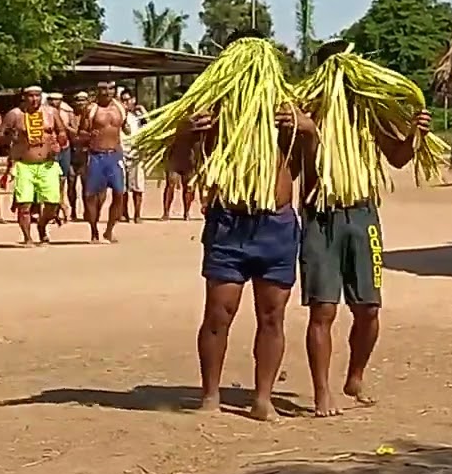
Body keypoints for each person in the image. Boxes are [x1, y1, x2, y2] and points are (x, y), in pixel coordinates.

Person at [170, 30, 317, 422]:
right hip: (229, 222)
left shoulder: (289, 111)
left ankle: (263, 397)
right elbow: (180, 166)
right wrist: (186, 132)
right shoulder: (211, 112)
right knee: (219, 312)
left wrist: (309, 132)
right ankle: (210, 394)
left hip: (276, 224)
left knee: (273, 315)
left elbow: (312, 174)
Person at [300, 40, 430, 417]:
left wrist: (414, 135)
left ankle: (355, 375)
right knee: (323, 310)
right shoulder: (306, 113)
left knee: (368, 309)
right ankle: (322, 391)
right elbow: (297, 163)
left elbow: (399, 158)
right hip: (320, 216)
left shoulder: (370, 114)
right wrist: (310, 133)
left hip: (362, 214)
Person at [2, 86, 64, 246]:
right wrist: (12, 140)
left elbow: (62, 132)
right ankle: (27, 237)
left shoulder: (51, 113)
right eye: (30, 96)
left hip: (47, 164)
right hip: (25, 164)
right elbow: (1, 136)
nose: (34, 99)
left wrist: (59, 144)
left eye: (37, 96)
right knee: (24, 204)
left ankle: (42, 226)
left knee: (52, 202)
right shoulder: (15, 114)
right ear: (24, 97)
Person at [76, 81, 129, 243]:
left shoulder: (120, 108)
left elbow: (125, 128)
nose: (107, 92)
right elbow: (81, 133)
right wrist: (90, 135)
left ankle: (109, 229)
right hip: (96, 155)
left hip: (115, 155)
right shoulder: (91, 109)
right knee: (91, 196)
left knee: (120, 193)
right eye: (103, 89)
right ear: (98, 90)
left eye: (111, 88)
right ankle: (94, 230)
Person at [46, 92, 75, 224]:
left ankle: (61, 208)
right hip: (50, 150)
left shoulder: (67, 111)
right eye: (52, 100)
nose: (54, 102)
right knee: (51, 180)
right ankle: (53, 210)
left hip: (64, 148)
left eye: (57, 100)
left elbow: (75, 130)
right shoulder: (43, 112)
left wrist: (64, 127)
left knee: (63, 179)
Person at [119, 89, 147, 223]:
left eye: (127, 100)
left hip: (136, 153)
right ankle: (124, 213)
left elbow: (149, 128)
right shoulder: (118, 115)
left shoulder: (138, 117)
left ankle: (137, 214)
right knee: (122, 187)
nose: (125, 103)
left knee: (138, 186)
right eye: (122, 100)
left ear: (133, 100)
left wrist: (144, 113)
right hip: (121, 153)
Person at [66, 90, 91, 221]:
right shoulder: (70, 117)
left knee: (86, 185)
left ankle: (88, 211)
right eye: (78, 101)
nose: (80, 104)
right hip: (72, 154)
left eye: (83, 101)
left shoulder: (91, 117)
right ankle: (73, 211)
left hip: (86, 154)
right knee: (71, 185)